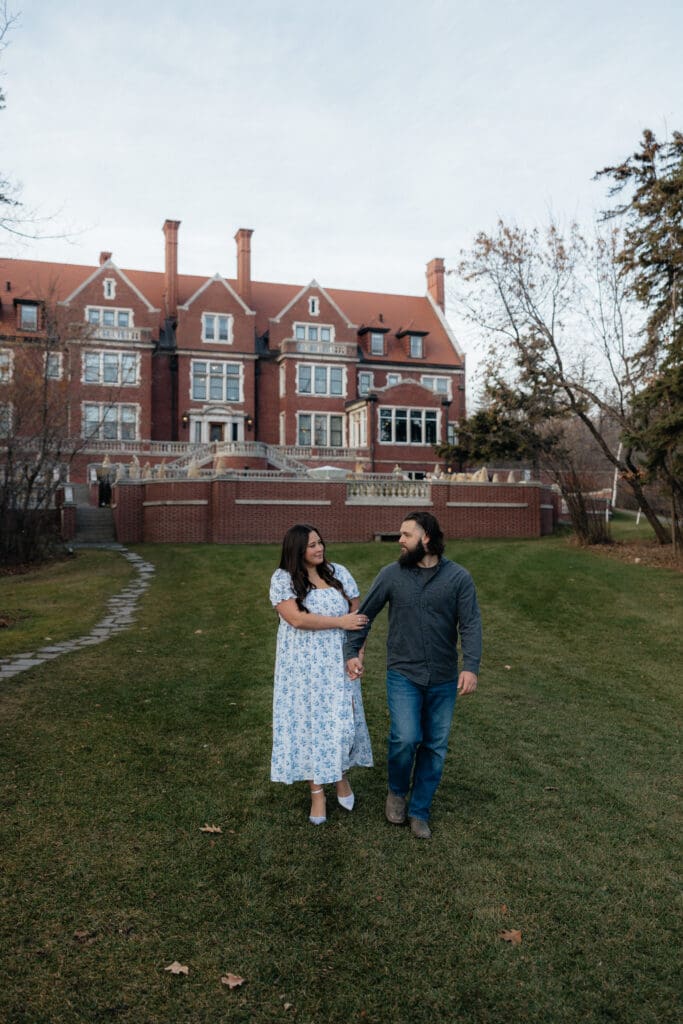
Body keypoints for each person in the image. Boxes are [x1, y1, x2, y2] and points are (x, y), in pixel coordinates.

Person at [344, 511, 482, 840]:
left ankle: (419, 810)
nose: (400, 541)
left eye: (407, 535)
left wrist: (470, 666)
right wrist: (351, 652)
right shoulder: (392, 575)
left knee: (434, 745)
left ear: (427, 539)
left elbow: (471, 624)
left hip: (444, 677)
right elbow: (365, 615)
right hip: (403, 673)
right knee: (405, 738)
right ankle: (396, 791)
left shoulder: (458, 578)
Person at [270, 524, 374, 825]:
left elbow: (358, 618)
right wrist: (339, 622)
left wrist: (357, 654)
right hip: (302, 669)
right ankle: (317, 792)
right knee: (309, 726)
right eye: (311, 545)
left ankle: (340, 776)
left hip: (338, 663)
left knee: (341, 722)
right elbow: (296, 619)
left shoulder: (339, 572)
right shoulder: (283, 579)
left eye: (320, 543)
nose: (319, 549)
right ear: (296, 550)